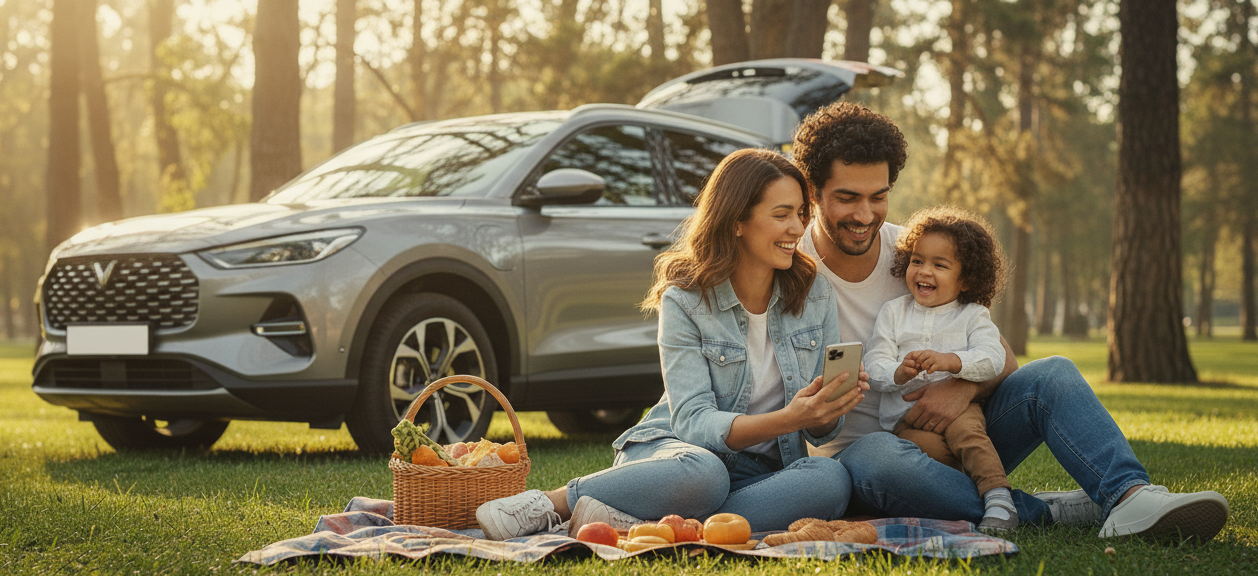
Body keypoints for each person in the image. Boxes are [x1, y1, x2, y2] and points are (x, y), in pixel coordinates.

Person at [792, 101, 1229, 543]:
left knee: (1052, 373)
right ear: (812, 190)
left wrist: (959, 390)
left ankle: (1130, 495)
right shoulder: (790, 269)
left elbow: (1003, 358)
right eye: (847, 198)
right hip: (875, 463)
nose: (865, 215)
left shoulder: (916, 254)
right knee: (877, 457)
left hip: (965, 434)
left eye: (878, 196)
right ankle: (1043, 510)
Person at [475, 148, 869, 541]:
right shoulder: (686, 299)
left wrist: (826, 409)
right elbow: (694, 422)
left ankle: (650, 519)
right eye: (781, 215)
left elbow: (819, 434)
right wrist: (790, 418)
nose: (797, 228)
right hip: (675, 456)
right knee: (706, 475)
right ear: (737, 222)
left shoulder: (814, 292)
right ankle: (553, 502)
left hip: (759, 471)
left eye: (800, 213)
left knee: (830, 479)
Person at [863, 205, 1015, 531]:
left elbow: (994, 358)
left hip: (960, 410)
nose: (924, 272)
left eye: (940, 265)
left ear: (966, 279)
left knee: (969, 437)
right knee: (935, 458)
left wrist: (953, 361)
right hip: (906, 420)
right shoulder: (894, 312)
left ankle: (998, 496)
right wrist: (898, 372)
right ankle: (970, 503)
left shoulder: (973, 315)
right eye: (917, 261)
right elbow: (874, 362)